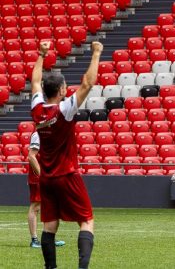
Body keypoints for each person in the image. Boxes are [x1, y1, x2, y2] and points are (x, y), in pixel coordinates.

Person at [31, 41, 103, 269]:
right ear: (61, 90)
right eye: (64, 87)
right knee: (87, 220)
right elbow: (88, 83)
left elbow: (34, 81)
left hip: (46, 178)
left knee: (50, 226)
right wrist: (96, 54)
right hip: (67, 175)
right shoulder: (64, 109)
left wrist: (41, 54)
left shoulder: (37, 110)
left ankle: (50, 268)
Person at [27, 131, 65, 248]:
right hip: (38, 177)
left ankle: (48, 239)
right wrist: (41, 174)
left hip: (50, 175)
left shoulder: (52, 134)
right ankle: (34, 240)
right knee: (36, 206)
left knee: (50, 206)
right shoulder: (38, 134)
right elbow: (31, 156)